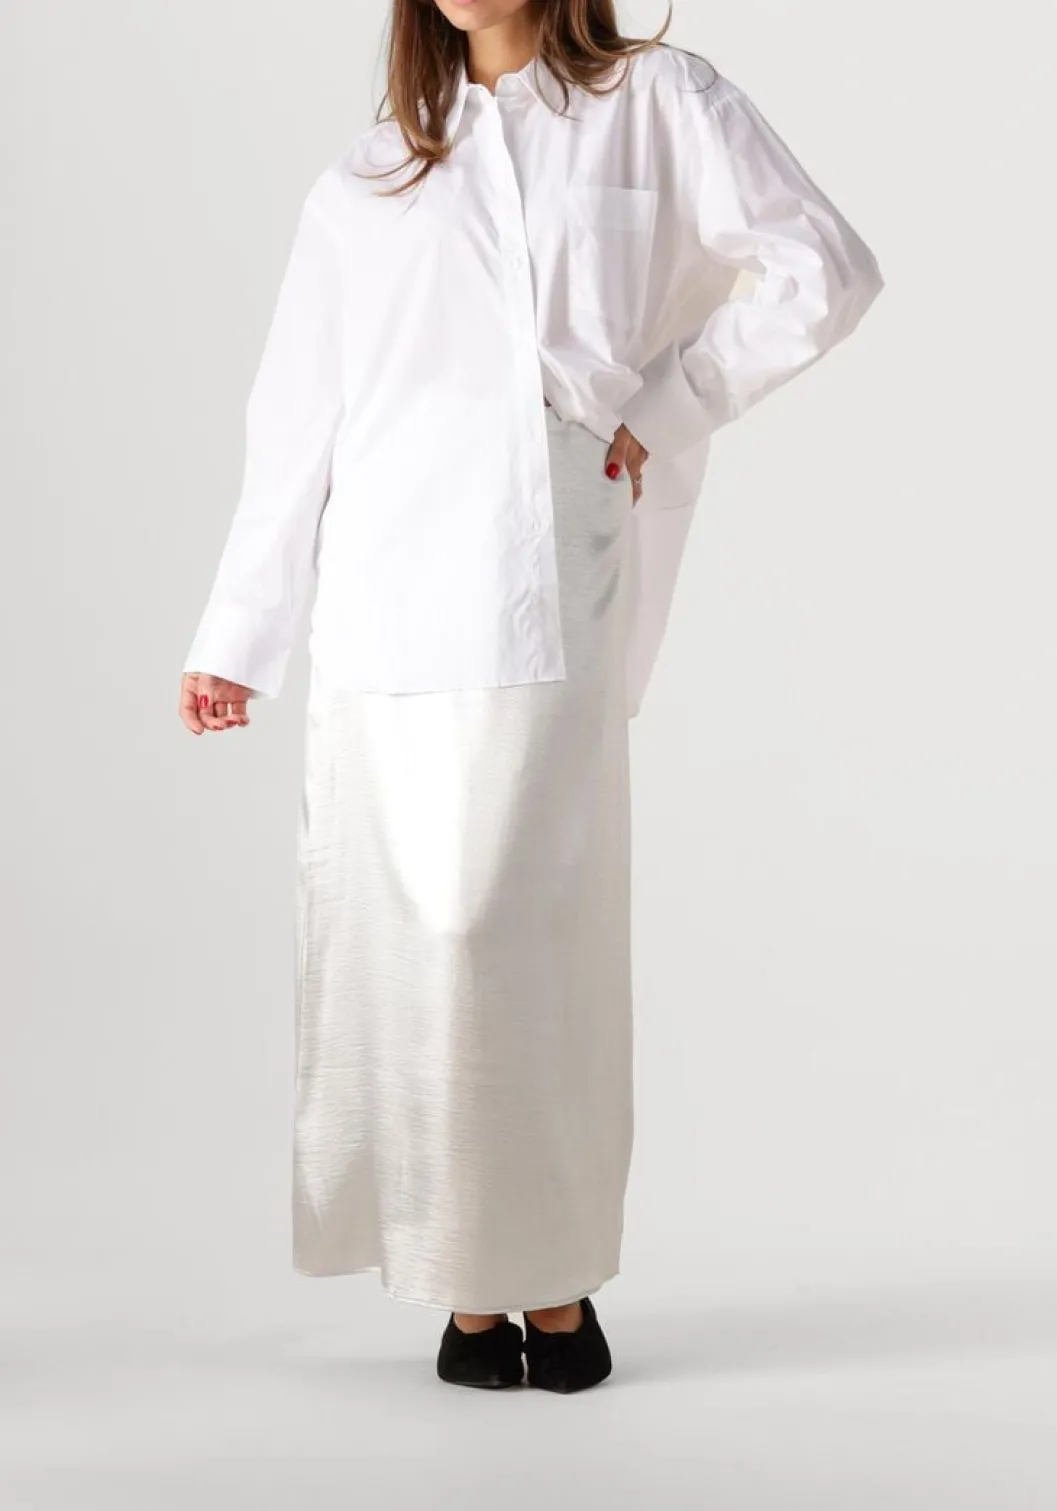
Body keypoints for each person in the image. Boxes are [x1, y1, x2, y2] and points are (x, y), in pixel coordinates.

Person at [178, 0, 883, 1393]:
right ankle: (465, 1282)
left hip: (545, 552)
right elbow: (298, 417)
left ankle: (554, 1274)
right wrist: (238, 633)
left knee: (518, 915)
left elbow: (825, 267)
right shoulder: (373, 172)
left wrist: (662, 408)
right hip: (383, 584)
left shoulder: (659, 102)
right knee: (408, 930)